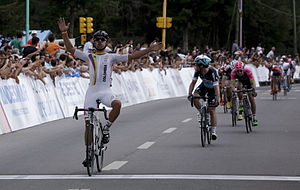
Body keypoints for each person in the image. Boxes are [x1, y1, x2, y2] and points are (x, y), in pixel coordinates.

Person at [57, 17, 162, 167]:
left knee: (118, 104)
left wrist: (149, 50)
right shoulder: (88, 56)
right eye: (97, 39)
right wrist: (65, 33)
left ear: (107, 41)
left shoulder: (111, 57)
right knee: (88, 124)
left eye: (102, 39)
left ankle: (106, 128)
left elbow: (132, 56)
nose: (99, 41)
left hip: (105, 91)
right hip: (92, 92)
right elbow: (70, 49)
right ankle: (88, 153)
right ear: (93, 41)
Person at [187, 55, 220, 140]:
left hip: (213, 89)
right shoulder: (197, 71)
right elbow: (193, 83)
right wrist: (190, 94)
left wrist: (217, 98)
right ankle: (201, 112)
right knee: (195, 97)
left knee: (212, 110)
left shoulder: (212, 71)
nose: (195, 67)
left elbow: (216, 87)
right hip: (204, 86)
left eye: (196, 65)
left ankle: (213, 131)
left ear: (201, 65)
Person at [230, 61, 258, 126]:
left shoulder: (247, 71)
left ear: (243, 69)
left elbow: (253, 83)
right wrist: (234, 91)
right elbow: (232, 84)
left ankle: (254, 117)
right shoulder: (233, 72)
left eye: (240, 71)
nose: (239, 72)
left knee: (252, 99)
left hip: (248, 82)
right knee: (239, 88)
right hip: (240, 82)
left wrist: (253, 91)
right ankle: (241, 102)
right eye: (238, 71)